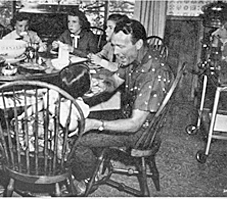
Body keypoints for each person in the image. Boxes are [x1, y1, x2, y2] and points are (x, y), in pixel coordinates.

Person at [68, 19, 174, 195]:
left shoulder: (153, 71)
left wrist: (96, 125)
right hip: (127, 114)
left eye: (121, 47)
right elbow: (114, 81)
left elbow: (134, 124)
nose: (116, 52)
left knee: (77, 139)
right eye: (114, 46)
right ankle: (92, 166)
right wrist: (99, 86)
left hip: (141, 133)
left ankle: (84, 179)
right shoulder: (134, 57)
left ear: (138, 43)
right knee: (83, 117)